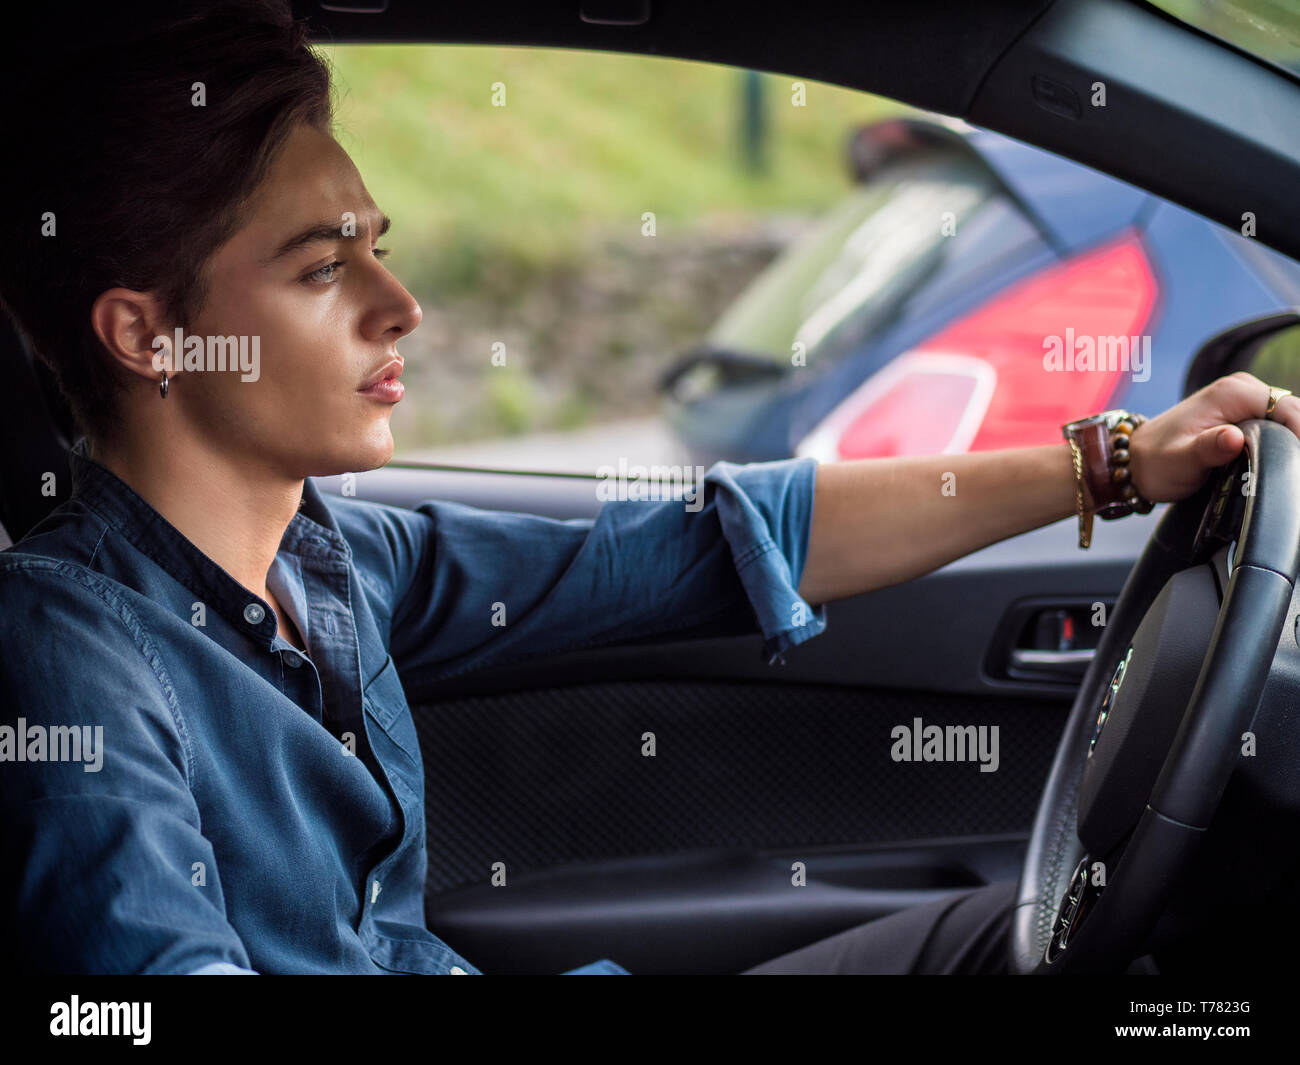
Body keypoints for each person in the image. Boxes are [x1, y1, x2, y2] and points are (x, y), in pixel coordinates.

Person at [1, 0, 1297, 975]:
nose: (402, 307)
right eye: (319, 268)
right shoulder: (69, 656)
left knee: (993, 940)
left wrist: (1115, 460)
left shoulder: (333, 562)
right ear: (148, 336)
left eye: (379, 251)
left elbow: (719, 540)